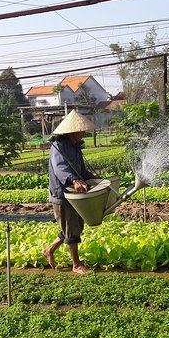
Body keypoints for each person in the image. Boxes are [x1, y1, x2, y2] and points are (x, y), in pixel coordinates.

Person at [42, 110, 96, 274]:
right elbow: (61, 169)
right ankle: (76, 265)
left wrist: (92, 178)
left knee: (76, 226)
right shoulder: (59, 147)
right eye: (82, 130)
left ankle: (49, 249)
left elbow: (80, 170)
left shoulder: (75, 147)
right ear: (73, 131)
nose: (84, 132)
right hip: (63, 193)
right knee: (71, 228)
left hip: (74, 193)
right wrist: (74, 180)